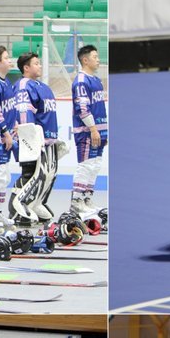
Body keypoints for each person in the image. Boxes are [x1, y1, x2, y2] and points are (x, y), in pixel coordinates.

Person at [11, 51, 64, 225]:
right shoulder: (23, 86)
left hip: (47, 140)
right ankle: (16, 209)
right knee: (30, 174)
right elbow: (24, 112)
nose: (40, 66)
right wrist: (30, 138)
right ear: (26, 68)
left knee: (47, 175)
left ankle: (36, 203)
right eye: (36, 63)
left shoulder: (43, 87)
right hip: (32, 140)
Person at [70, 44, 107, 217]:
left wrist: (103, 130)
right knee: (85, 165)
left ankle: (86, 198)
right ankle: (76, 201)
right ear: (85, 60)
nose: (98, 60)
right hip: (87, 131)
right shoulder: (81, 81)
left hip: (99, 130)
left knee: (95, 165)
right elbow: (82, 108)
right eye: (94, 57)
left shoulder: (96, 80)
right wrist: (92, 128)